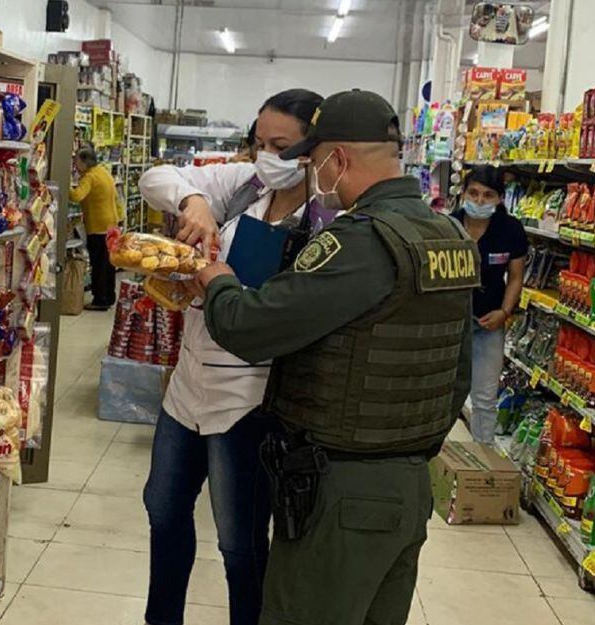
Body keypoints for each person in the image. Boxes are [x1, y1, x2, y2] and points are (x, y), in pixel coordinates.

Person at [195, 90, 478, 625]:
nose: (313, 173)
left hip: (342, 490)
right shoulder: (449, 236)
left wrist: (219, 284)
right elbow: (458, 371)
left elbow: (250, 327)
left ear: (338, 159)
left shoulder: (362, 242)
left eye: (313, 160)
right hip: (408, 484)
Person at [137, 88, 323, 625]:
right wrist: (192, 201)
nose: (266, 155)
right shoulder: (245, 185)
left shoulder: (325, 219)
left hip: (249, 399)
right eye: (258, 141)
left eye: (281, 145)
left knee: (239, 541)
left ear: (314, 147)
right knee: (164, 512)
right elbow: (156, 177)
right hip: (188, 385)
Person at [454, 166, 528, 443]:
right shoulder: (450, 226)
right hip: (453, 324)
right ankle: (441, 461)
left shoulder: (510, 230)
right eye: (473, 193)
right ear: (463, 193)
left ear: (499, 198)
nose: (480, 200)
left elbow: (516, 277)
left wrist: (505, 312)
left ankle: (483, 462)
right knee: (447, 393)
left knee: (485, 398)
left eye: (488, 195)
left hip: (489, 323)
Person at [70, 144, 119, 310]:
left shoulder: (89, 177)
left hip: (98, 226)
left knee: (99, 264)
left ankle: (100, 300)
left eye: (76, 160)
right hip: (112, 225)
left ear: (85, 161)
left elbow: (77, 196)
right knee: (108, 263)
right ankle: (109, 296)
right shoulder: (103, 172)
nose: (75, 164)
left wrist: (63, 184)